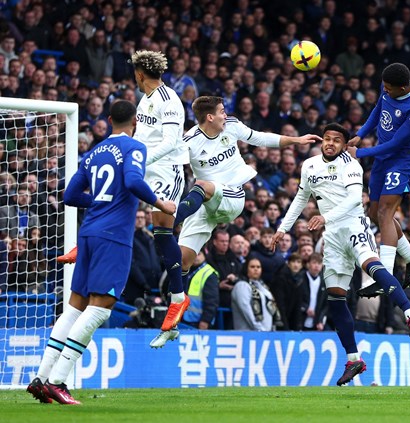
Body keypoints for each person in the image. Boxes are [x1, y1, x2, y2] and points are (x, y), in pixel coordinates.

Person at [26, 100, 176, 405]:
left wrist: (97, 203)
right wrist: (161, 204)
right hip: (114, 238)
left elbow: (69, 196)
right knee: (99, 309)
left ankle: (41, 378)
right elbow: (134, 181)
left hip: (89, 233)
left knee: (75, 307)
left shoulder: (93, 152)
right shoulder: (134, 147)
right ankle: (58, 381)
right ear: (135, 121)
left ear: (108, 120)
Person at [150, 96, 319, 347]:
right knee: (181, 259)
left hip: (231, 197)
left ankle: (170, 222)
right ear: (209, 117)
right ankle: (175, 310)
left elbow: (261, 138)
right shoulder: (190, 142)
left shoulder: (232, 126)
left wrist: (295, 140)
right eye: (220, 111)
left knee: (202, 186)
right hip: (204, 205)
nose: (224, 113)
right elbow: (168, 162)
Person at [271, 123, 410, 386]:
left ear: (344, 145)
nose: (330, 144)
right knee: (335, 297)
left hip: (354, 224)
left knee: (373, 267)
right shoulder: (309, 166)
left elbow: (355, 199)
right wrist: (282, 228)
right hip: (331, 236)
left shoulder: (351, 165)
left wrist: (324, 216)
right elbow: (300, 199)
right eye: (327, 139)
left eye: (337, 140)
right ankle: (354, 359)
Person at [57, 51, 190, 339]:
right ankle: (85, 246)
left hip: (167, 171)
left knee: (162, 234)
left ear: (140, 73)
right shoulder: (145, 100)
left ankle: (178, 299)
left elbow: (170, 143)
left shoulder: (170, 102)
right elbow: (140, 138)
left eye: (134, 73)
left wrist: (138, 160)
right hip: (144, 166)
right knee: (110, 199)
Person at [347, 63, 410, 297]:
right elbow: (378, 111)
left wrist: (360, 153)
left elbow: (396, 144)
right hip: (382, 158)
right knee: (375, 214)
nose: (385, 91)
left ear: (402, 88)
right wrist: (360, 135)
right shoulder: (390, 87)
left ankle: (386, 276)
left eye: (389, 88)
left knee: (384, 213)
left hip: (401, 161)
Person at [231, 257, 279, 331]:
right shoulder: (241, 286)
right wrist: (259, 329)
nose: (256, 269)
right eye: (252, 267)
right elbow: (246, 310)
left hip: (266, 335)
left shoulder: (263, 287)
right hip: (247, 334)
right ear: (246, 268)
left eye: (258, 267)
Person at [181, 250, 219, 329]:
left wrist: (205, 320)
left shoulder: (209, 273)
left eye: (198, 254)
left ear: (204, 255)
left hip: (198, 321)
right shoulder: (186, 269)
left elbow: (212, 301)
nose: (195, 257)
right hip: (183, 318)